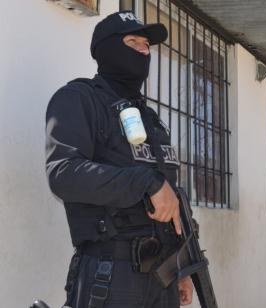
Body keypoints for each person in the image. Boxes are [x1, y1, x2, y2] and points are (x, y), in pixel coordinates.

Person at [45, 11, 193, 307]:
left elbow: (172, 195)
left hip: (163, 276)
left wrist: (183, 264)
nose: (143, 50)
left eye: (146, 45)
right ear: (107, 49)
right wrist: (145, 182)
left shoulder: (149, 118)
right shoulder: (78, 98)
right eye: (133, 41)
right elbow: (63, 174)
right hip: (112, 273)